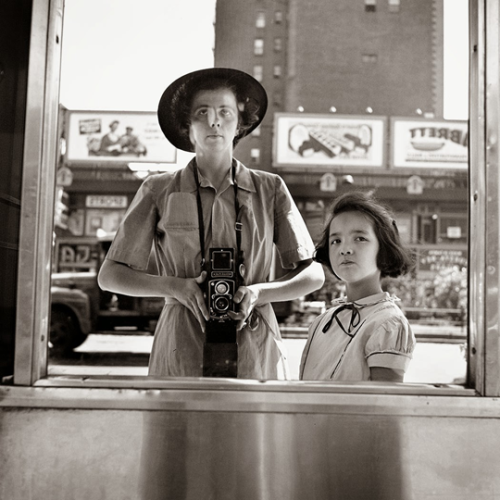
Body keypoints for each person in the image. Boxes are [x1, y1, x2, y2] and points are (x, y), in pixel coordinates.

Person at [98, 67, 324, 379]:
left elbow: (313, 274)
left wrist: (260, 293)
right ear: (187, 126)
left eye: (225, 112)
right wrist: (175, 287)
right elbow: (110, 276)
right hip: (181, 344)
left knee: (253, 428)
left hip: (254, 344)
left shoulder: (269, 188)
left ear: (239, 124)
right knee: (178, 428)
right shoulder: (158, 189)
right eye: (202, 112)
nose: (214, 121)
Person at [299, 191, 416, 382]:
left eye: (360, 238)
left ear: (383, 249)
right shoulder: (323, 321)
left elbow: (383, 405)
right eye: (336, 241)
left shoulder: (387, 324)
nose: (345, 249)